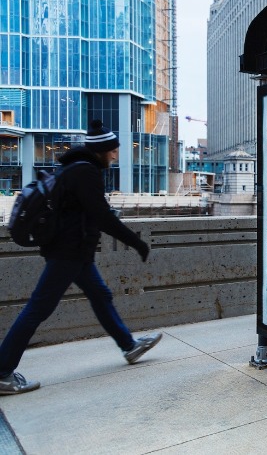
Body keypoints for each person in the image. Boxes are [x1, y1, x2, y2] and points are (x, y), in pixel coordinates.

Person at [0, 120, 161, 396]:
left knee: (100, 295)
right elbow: (102, 216)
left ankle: (129, 346)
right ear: (101, 151)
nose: (114, 155)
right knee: (38, 308)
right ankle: (2, 372)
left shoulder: (76, 169)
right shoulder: (86, 173)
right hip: (68, 253)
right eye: (112, 150)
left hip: (75, 253)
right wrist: (136, 242)